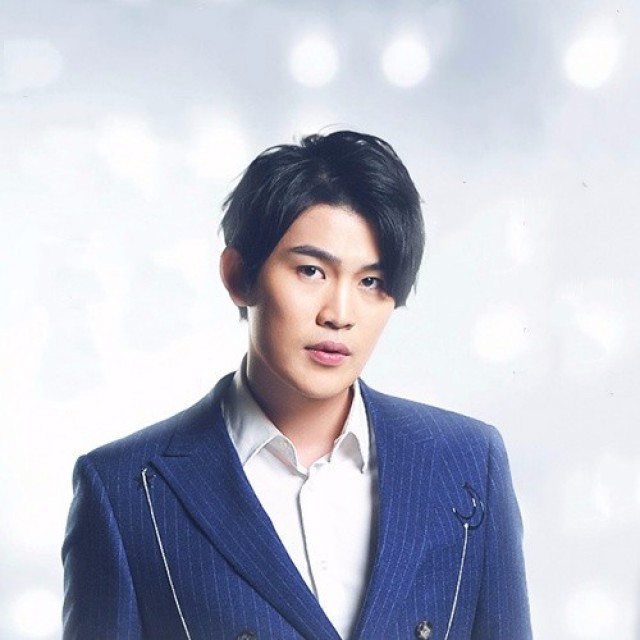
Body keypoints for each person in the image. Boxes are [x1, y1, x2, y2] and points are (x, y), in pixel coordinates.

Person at [62, 130, 531, 639]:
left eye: (371, 282)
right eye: (311, 271)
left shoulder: (467, 461)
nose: (339, 314)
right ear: (239, 276)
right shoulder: (126, 489)